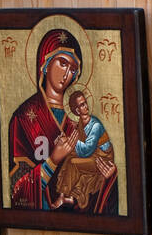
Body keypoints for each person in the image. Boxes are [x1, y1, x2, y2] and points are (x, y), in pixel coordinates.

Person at [7, 28, 84, 210]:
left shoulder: (77, 119)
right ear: (46, 63)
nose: (67, 74)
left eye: (73, 69)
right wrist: (53, 161)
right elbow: (16, 191)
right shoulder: (24, 117)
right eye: (62, 63)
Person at [46, 89, 118, 216]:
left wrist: (68, 140)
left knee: (73, 162)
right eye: (82, 105)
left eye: (85, 103)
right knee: (68, 158)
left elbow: (86, 150)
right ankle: (66, 196)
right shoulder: (81, 122)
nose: (85, 106)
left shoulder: (95, 125)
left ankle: (64, 195)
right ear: (77, 111)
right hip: (93, 155)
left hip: (102, 158)